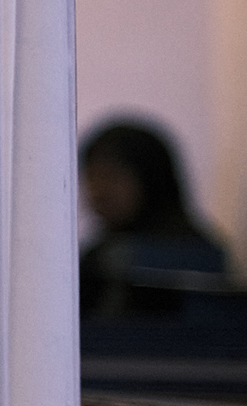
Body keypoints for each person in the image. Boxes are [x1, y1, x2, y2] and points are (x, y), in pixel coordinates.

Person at [79, 120, 229, 318]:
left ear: (149, 176)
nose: (99, 190)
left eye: (112, 176)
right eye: (92, 176)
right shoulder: (96, 257)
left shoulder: (196, 254)